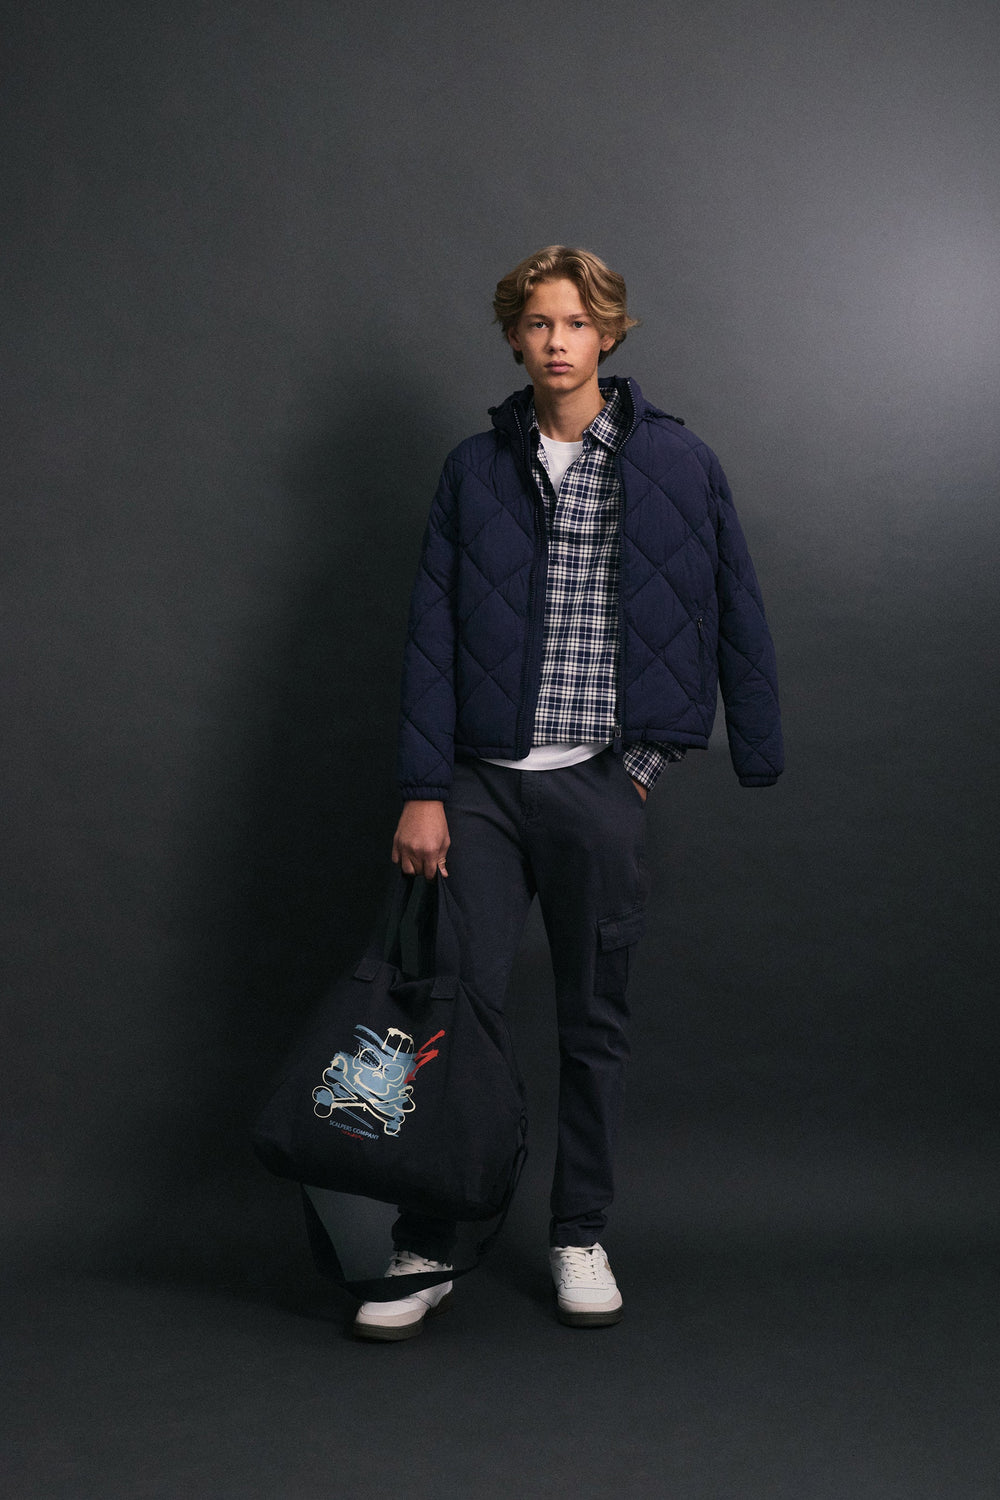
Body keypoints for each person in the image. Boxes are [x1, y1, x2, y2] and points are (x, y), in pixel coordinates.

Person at [352, 246, 783, 1341]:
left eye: (578, 322)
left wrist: (651, 767)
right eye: (539, 322)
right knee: (454, 1015)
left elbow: (733, 602)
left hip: (598, 783)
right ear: (514, 337)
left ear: (610, 334)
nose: (558, 341)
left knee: (594, 1022)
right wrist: (424, 787)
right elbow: (429, 633)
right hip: (478, 789)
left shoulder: (680, 461)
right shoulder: (473, 469)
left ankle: (578, 1231)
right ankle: (428, 1241)